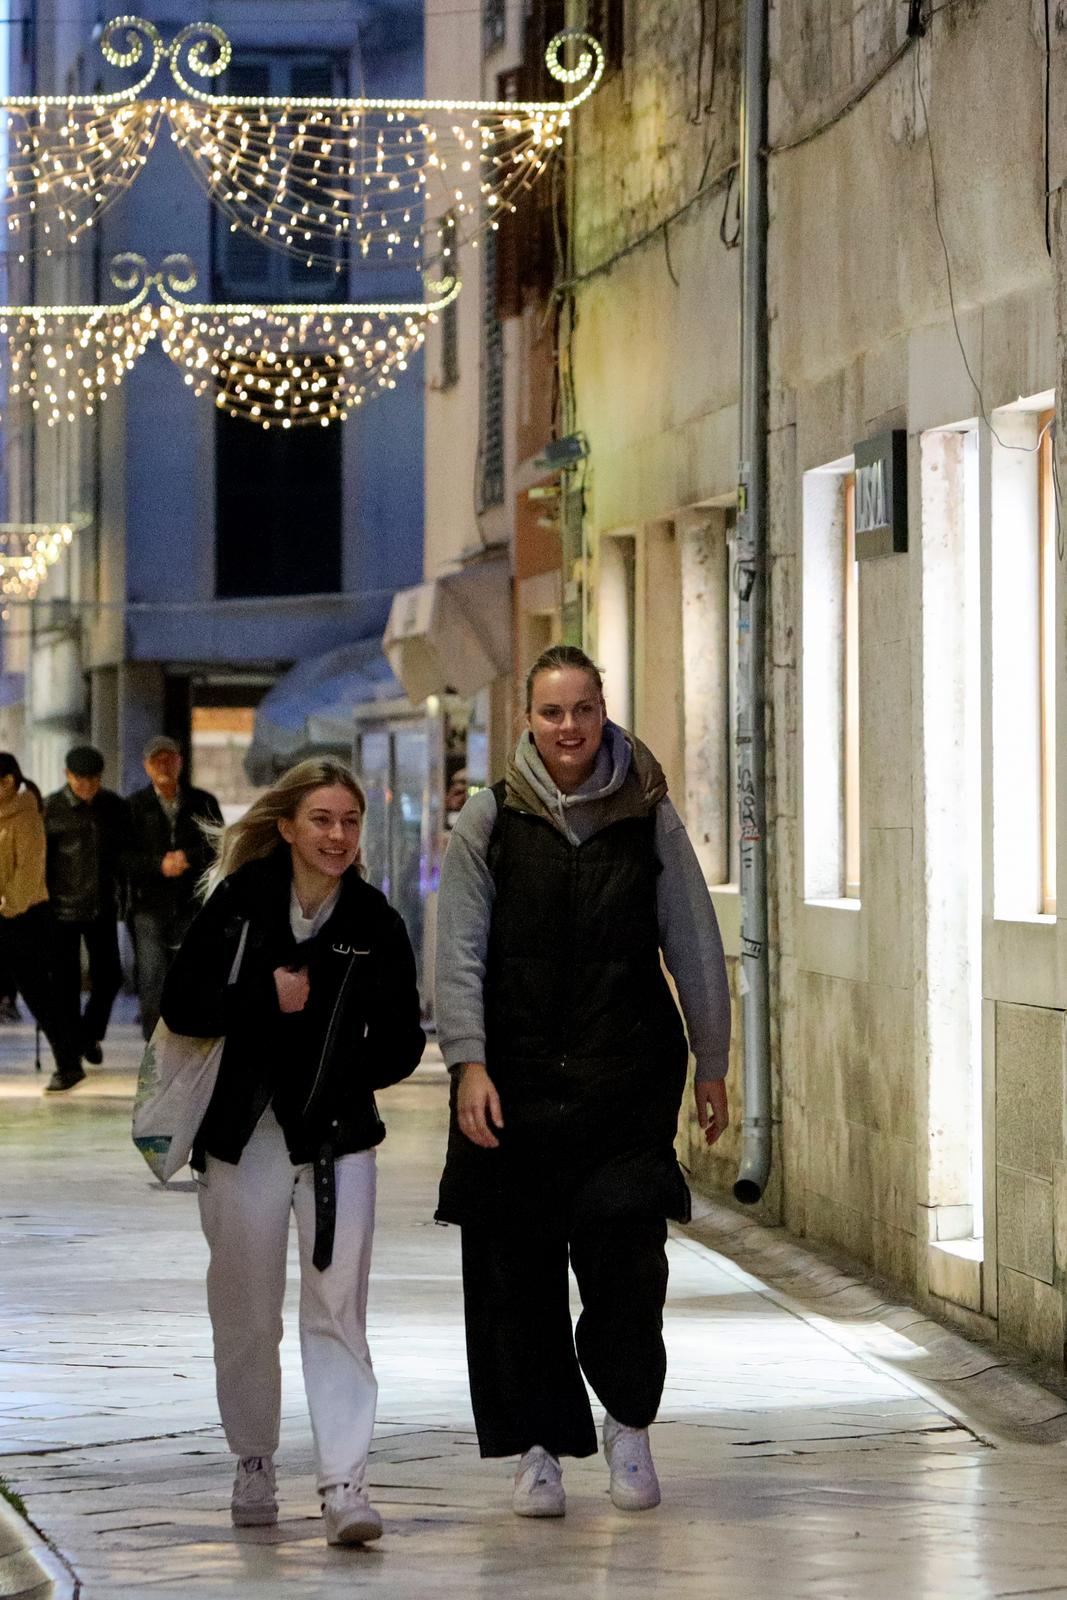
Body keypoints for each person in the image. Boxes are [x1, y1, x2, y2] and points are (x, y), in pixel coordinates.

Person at [434, 643, 732, 1518]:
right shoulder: (488, 821)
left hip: (625, 1078)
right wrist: (468, 1063)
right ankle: (536, 1448)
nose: (569, 727)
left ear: (604, 710)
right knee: (512, 1274)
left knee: (627, 1265)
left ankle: (629, 1422)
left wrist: (711, 1062)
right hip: (513, 1084)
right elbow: (457, 950)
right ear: (527, 721)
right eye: (551, 712)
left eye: (583, 710)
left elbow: (693, 941)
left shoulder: (648, 813)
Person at [160, 758, 425, 1546]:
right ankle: (253, 1459)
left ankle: (346, 1482)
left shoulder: (373, 920)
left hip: (339, 1141)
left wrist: (349, 1072)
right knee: (243, 1311)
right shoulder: (238, 905)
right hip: (244, 1138)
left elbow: (404, 1041)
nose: (337, 835)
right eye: (321, 820)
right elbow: (181, 1004)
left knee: (338, 1310)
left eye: (348, 822)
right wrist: (262, 999)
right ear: (286, 826)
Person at [127, 736, 223, 1039]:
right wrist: (158, 864)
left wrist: (188, 858)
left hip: (191, 902)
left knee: (191, 973)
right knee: (152, 975)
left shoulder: (202, 802)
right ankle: (154, 1042)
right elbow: (122, 857)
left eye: (170, 759)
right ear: (147, 767)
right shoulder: (134, 806)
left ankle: (186, 1038)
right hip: (149, 904)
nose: (164, 766)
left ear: (180, 762)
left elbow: (218, 844)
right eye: (157, 761)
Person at [0, 753, 85, 1091]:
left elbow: (30, 871)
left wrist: (10, 907)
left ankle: (68, 1063)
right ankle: (68, 1062)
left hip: (23, 918)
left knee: (38, 994)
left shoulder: (25, 814)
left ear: (7, 782)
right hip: (6, 915)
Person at [44, 746, 131, 1066]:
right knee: (65, 982)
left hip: (101, 906)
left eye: (93, 780)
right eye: (81, 780)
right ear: (68, 776)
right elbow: (42, 862)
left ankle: (88, 1033)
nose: (87, 787)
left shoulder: (115, 807)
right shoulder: (51, 809)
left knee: (109, 977)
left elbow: (125, 855)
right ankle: (74, 1044)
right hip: (61, 910)